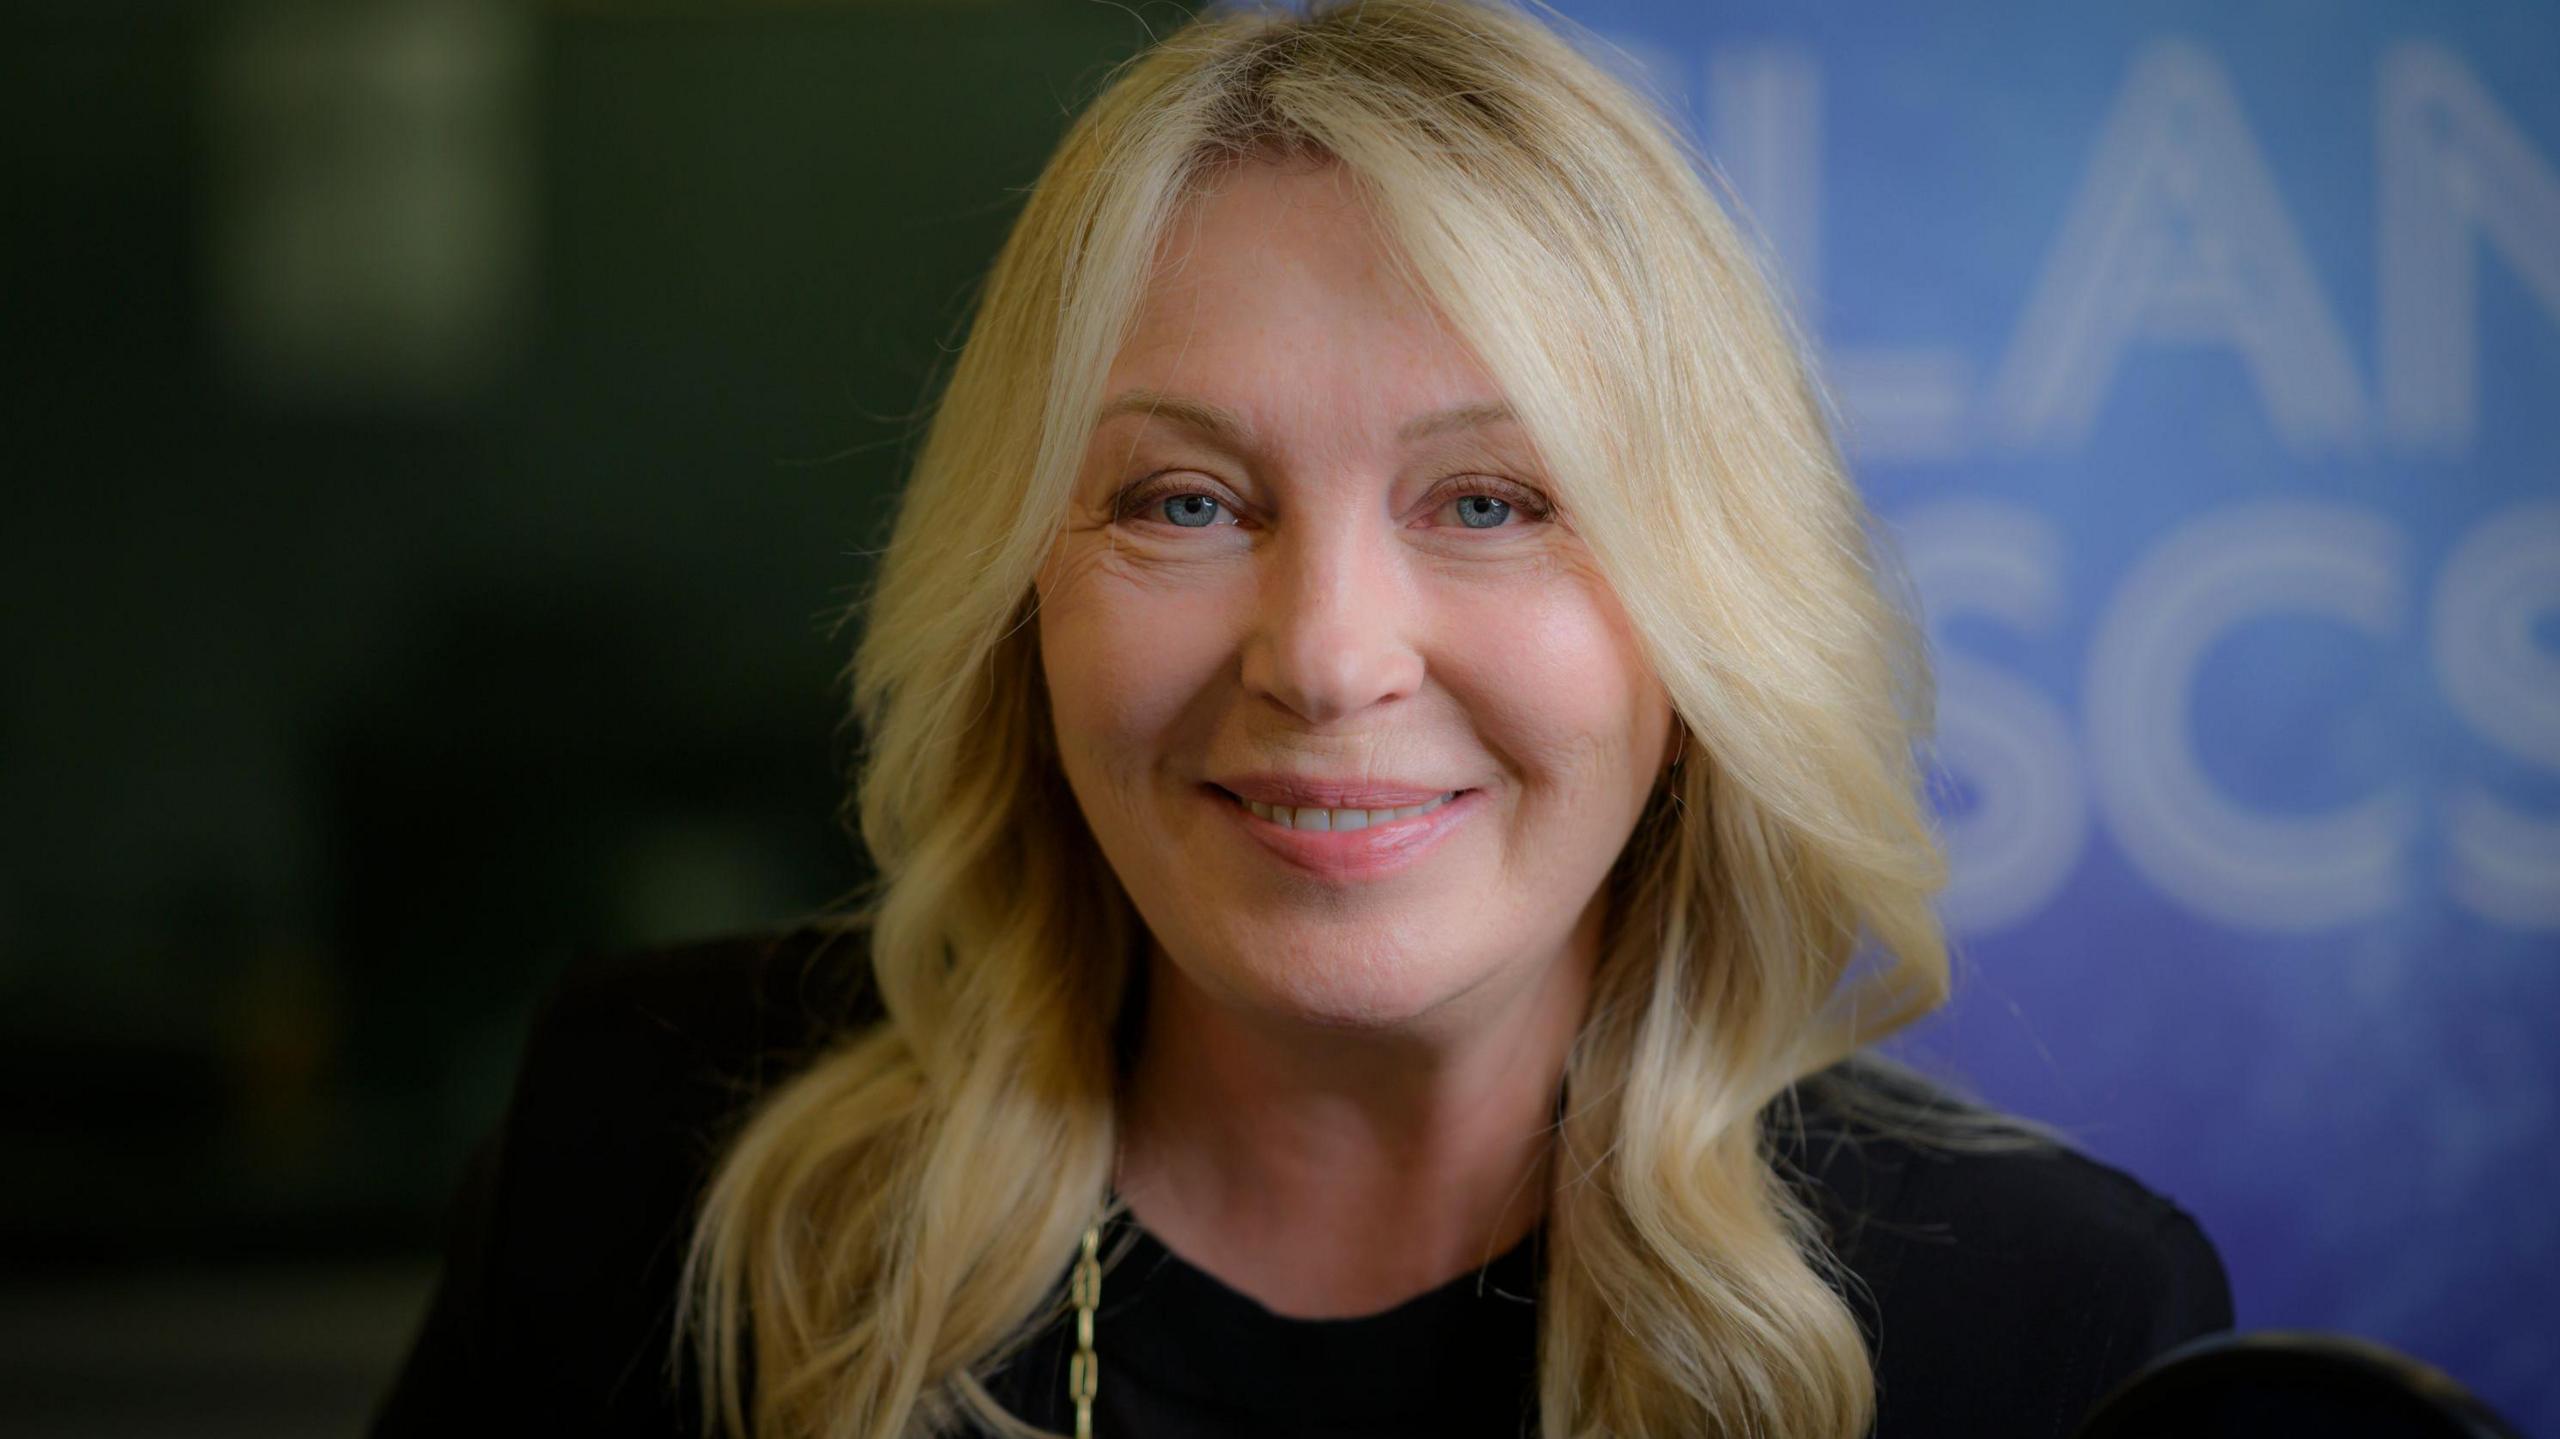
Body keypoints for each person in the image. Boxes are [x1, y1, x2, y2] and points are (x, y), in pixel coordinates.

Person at [373, 3, 2232, 1437]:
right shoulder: (653, 1161)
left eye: (1491, 502)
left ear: (1698, 621)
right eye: (1184, 500)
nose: (1329, 658)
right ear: (1020, 588)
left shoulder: (2044, 1334)